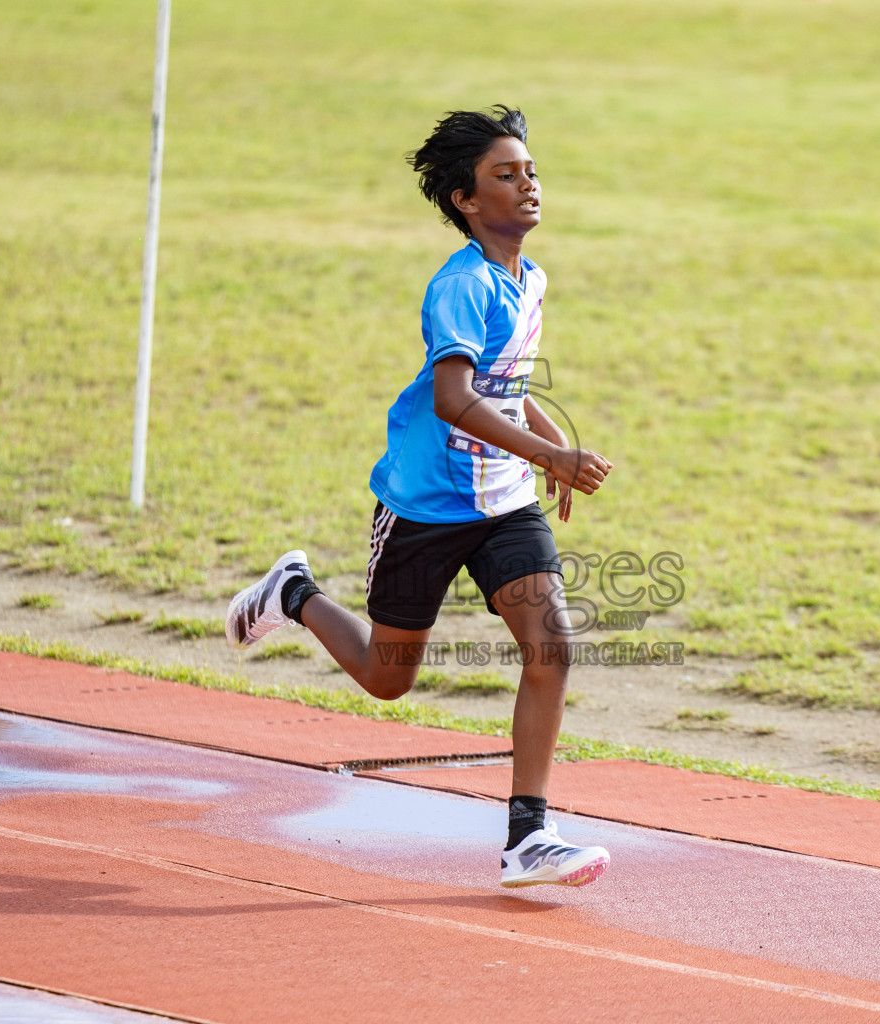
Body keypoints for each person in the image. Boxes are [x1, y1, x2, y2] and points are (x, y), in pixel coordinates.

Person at [225, 106, 614, 888]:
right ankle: (294, 592)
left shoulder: (528, 278)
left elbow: (505, 388)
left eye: (531, 170)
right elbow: (453, 397)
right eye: (506, 174)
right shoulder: (460, 285)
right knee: (388, 677)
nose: (528, 184)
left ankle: (528, 836)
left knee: (552, 646)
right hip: (426, 506)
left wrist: (548, 455)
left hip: (502, 501)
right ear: (467, 201)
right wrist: (549, 451)